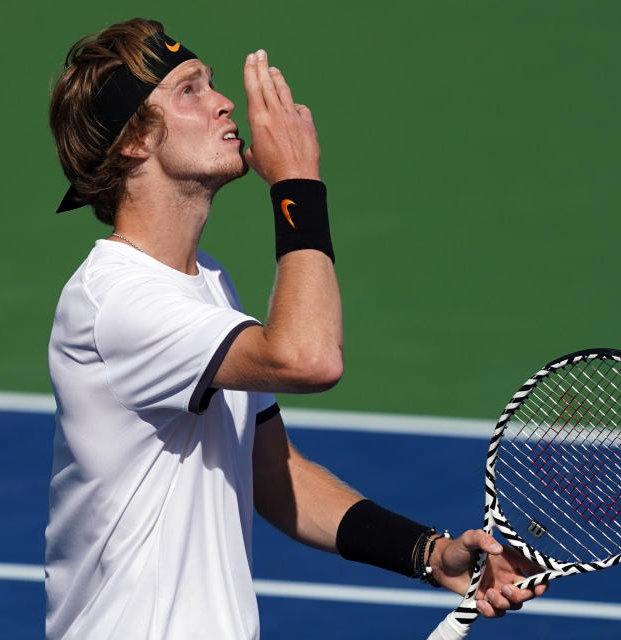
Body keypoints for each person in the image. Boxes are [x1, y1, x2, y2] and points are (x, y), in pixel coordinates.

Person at [45, 17, 546, 639]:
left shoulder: (206, 285)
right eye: (189, 91)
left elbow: (275, 475)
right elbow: (309, 358)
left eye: (212, 84)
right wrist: (296, 184)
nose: (224, 101)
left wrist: (431, 554)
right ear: (132, 142)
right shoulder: (118, 301)